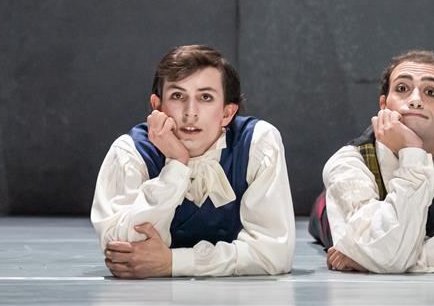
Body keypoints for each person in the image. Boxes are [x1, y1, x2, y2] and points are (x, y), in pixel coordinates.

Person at [91, 45, 295, 278]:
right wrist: (176, 166)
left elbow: (274, 255)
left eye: (205, 97)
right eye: (178, 96)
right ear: (157, 106)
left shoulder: (258, 143)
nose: (190, 112)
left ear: (227, 113)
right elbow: (126, 252)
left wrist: (173, 262)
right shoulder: (131, 151)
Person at [310, 50, 434, 273]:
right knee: (326, 211)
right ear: (384, 105)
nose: (415, 100)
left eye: (430, 92)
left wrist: (387, 258)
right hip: (336, 211)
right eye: (402, 88)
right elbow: (388, 256)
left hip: (395, 239)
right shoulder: (348, 163)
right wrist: (413, 153)